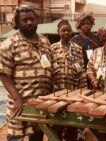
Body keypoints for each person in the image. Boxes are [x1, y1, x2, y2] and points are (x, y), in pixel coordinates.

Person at [0, 5, 54, 141]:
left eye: (32, 19)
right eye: (24, 20)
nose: (29, 22)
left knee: (37, 134)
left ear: (36, 20)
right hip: (20, 102)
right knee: (16, 136)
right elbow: (3, 73)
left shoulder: (45, 41)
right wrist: (16, 97)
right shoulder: (9, 44)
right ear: (17, 23)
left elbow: (50, 67)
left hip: (41, 102)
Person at [51, 19, 87, 141]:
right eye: (63, 30)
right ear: (58, 32)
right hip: (57, 90)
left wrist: (83, 89)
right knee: (57, 122)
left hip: (74, 91)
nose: (66, 32)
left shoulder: (77, 48)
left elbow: (81, 69)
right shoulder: (53, 48)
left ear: (72, 32)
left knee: (72, 121)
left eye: (68, 30)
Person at [71, 12, 102, 89]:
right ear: (79, 26)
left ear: (92, 25)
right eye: (83, 24)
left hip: (96, 71)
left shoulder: (97, 39)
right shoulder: (74, 40)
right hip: (82, 72)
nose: (86, 26)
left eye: (88, 23)